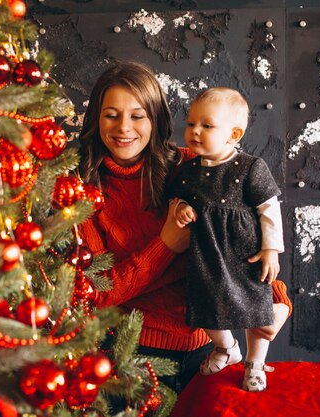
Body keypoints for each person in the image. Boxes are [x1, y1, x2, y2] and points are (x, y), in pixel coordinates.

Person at [77, 61, 292, 394]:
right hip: (132, 354)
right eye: (111, 115)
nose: (123, 128)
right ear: (96, 119)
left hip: (212, 348)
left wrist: (275, 299)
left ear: (155, 119)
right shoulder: (81, 191)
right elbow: (98, 292)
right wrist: (166, 244)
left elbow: (239, 229)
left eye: (137, 116)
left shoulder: (195, 165)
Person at [171, 87, 283, 392]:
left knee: (256, 311)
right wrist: (181, 209)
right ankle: (226, 348)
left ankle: (255, 365)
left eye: (206, 126)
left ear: (233, 133)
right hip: (206, 252)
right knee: (205, 304)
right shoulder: (188, 170)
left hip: (245, 253)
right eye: (191, 123)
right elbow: (177, 200)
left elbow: (269, 208)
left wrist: (271, 249)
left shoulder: (250, 167)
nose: (194, 131)